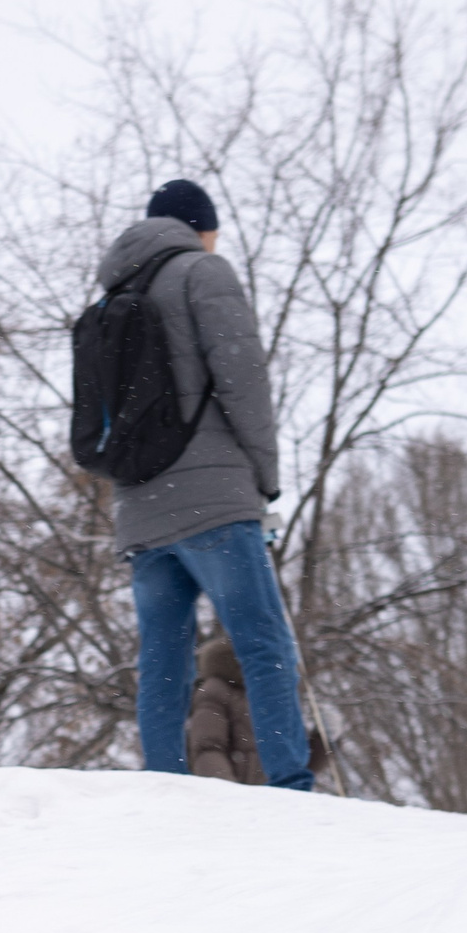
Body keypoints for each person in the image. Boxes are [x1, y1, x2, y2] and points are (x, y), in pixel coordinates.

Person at [100, 178, 313, 791]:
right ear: (203, 227)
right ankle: (292, 786)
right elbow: (244, 382)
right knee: (263, 644)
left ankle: (165, 787)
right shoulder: (204, 272)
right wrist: (265, 482)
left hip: (141, 508)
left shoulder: (116, 292)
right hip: (216, 503)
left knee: (163, 662)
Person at [187, 635, 264, 785]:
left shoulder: (264, 696)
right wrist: (226, 790)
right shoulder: (215, 690)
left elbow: (290, 759)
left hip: (271, 797)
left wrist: (320, 742)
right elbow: (207, 746)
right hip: (239, 793)